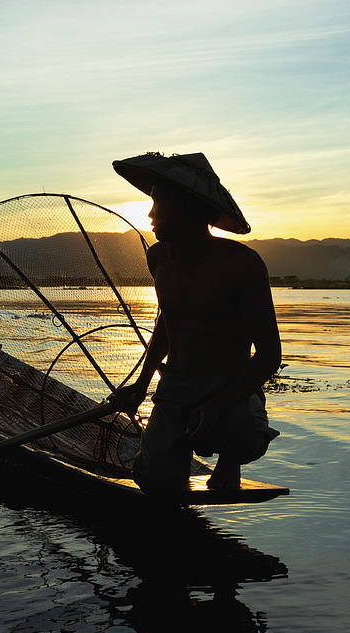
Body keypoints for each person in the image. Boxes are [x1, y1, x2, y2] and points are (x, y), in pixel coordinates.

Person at [110, 152, 281, 495]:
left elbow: (268, 355)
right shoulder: (159, 258)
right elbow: (168, 323)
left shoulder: (242, 264)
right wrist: (142, 384)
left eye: (158, 204)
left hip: (228, 387)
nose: (150, 215)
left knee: (244, 434)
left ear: (187, 209)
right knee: (155, 479)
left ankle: (228, 458)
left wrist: (217, 405)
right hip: (176, 386)